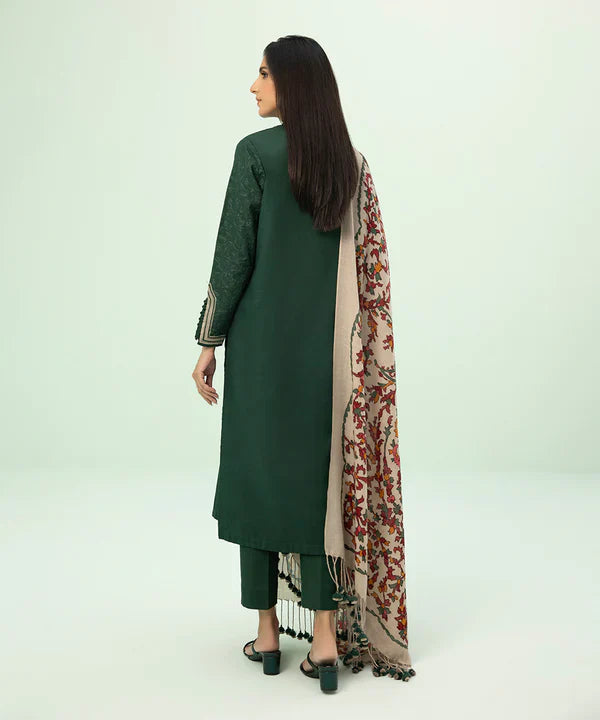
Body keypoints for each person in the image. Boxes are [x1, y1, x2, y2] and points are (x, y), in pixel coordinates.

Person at [192, 36, 415, 691]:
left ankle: (266, 636)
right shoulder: (350, 163)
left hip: (261, 353)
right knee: (321, 491)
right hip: (330, 359)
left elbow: (233, 258)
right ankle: (322, 642)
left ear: (290, 82)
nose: (253, 85)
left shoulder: (254, 154)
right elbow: (369, 266)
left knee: (257, 482)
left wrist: (208, 341)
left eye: (263, 73)